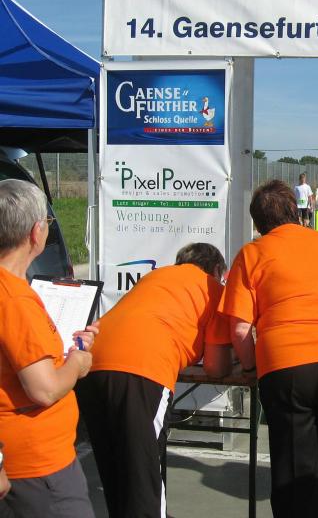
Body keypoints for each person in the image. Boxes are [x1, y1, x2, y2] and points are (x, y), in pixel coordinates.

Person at [220, 180, 318, 518]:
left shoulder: (252, 253)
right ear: (296, 211)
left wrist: (250, 369)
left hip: (286, 363)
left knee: (291, 465)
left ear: (258, 223)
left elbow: (240, 328)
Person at [75, 243, 230, 518]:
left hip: (91, 365)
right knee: (143, 478)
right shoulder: (213, 288)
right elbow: (216, 367)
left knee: (116, 474)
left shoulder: (155, 277)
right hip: (141, 370)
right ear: (217, 269)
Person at [0, 179, 97, 517]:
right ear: (35, 232)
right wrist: (77, 363)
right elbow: (44, 389)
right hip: (36, 467)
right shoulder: (14, 299)